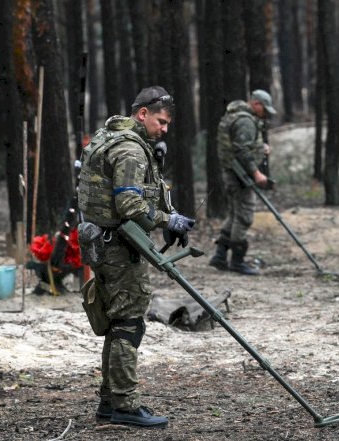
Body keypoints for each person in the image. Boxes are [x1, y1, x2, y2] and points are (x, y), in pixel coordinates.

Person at [77, 86, 194, 428]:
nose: (165, 129)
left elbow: (139, 192)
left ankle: (108, 402)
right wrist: (166, 219)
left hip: (104, 242)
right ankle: (125, 406)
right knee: (129, 324)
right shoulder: (130, 150)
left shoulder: (113, 134)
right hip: (117, 248)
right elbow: (129, 205)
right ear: (142, 114)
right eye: (161, 122)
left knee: (118, 323)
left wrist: (166, 213)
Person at [208, 89, 276, 276]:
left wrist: (261, 148)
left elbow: (241, 145)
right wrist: (256, 173)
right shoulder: (245, 120)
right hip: (240, 176)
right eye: (265, 109)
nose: (266, 114)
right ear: (256, 104)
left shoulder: (237, 117)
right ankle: (237, 261)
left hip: (233, 174)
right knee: (244, 216)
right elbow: (242, 151)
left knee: (235, 214)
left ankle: (220, 256)